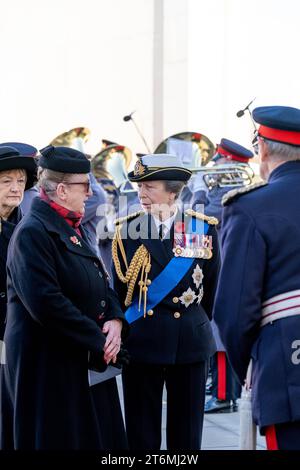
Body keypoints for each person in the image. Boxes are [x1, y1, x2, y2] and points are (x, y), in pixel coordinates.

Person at [0, 145, 127, 450]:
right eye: (85, 185)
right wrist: (100, 341)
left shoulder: (68, 224)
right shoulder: (33, 232)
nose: (89, 194)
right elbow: (47, 303)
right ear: (61, 190)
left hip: (74, 356)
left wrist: (115, 319)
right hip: (46, 364)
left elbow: (99, 277)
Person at [112, 153, 220, 450]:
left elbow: (211, 286)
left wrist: (193, 323)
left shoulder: (202, 227)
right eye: (139, 187)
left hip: (189, 340)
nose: (141, 194)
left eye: (150, 186)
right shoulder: (125, 230)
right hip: (142, 341)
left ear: (174, 191)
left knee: (186, 434)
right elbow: (119, 292)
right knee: (141, 431)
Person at [213, 105, 300, 450]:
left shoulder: (248, 207)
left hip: (288, 369)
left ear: (262, 148)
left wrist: (250, 370)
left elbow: (233, 314)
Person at [193, 139, 254, 413]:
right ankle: (222, 391)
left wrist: (198, 192)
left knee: (220, 334)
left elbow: (199, 217)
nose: (214, 165)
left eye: (219, 160)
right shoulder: (226, 188)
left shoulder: (230, 191)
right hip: (225, 264)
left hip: (226, 266)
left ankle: (223, 395)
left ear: (229, 162)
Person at [0, 145, 37, 345]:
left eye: (21, 181)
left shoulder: (32, 227)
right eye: (7, 181)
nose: (16, 188)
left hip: (21, 334)